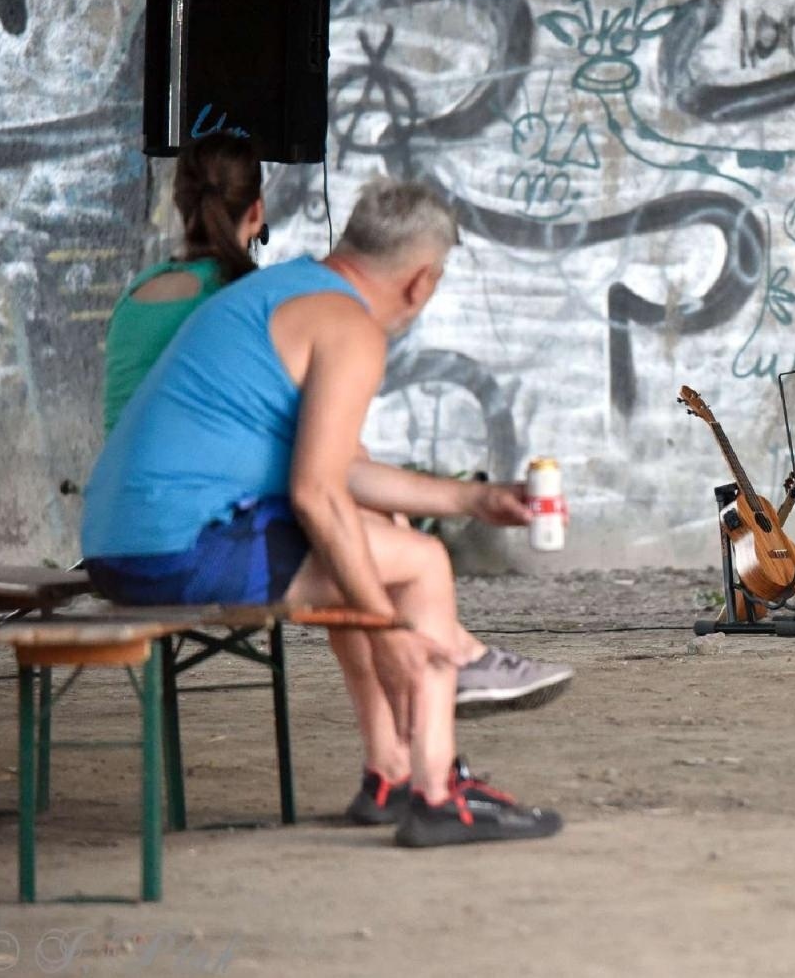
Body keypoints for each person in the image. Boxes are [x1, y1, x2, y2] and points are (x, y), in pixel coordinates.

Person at [83, 179, 561, 846]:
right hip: (175, 545)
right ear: (421, 282)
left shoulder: (285, 292)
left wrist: (472, 498)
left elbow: (343, 470)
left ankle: (397, 768)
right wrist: (387, 628)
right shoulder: (351, 326)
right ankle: (438, 788)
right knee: (418, 561)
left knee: (378, 546)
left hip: (123, 540)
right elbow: (318, 494)